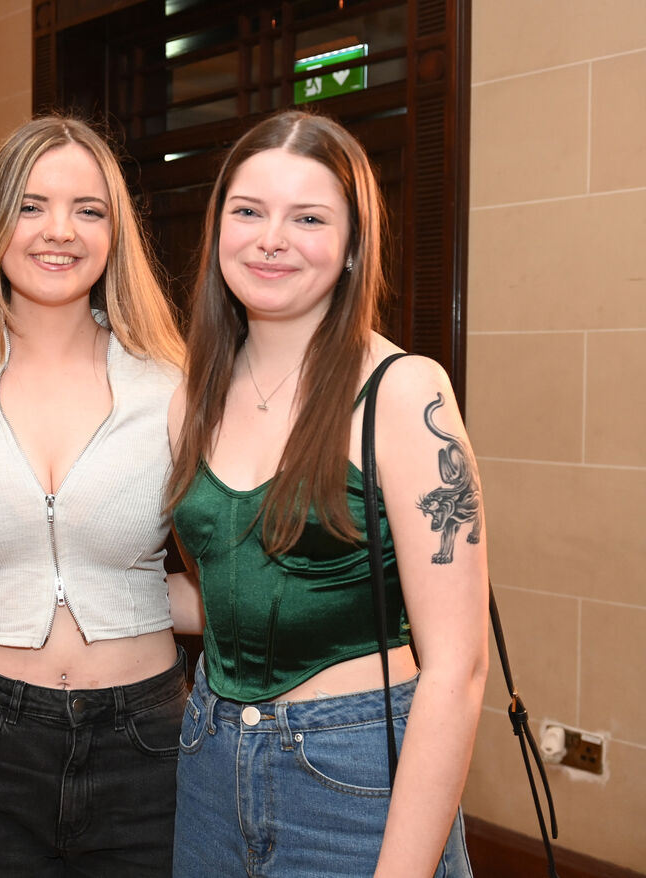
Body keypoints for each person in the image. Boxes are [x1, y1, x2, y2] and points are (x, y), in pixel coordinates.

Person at [167, 110, 488, 877]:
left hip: (355, 774)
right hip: (208, 758)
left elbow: (458, 669)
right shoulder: (193, 393)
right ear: (219, 231)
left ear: (351, 246)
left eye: (308, 218)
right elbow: (227, 586)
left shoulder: (404, 393)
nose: (271, 239)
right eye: (248, 212)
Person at [0, 115, 200, 877]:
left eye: (89, 209)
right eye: (32, 205)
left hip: (148, 740)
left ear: (116, 232)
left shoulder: (173, 382)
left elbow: (228, 577)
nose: (59, 232)